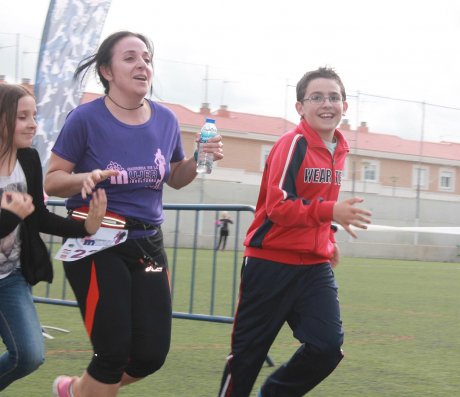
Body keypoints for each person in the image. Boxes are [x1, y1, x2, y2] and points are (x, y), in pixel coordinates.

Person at [43, 31, 223, 397]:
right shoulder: (85, 119)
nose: (142, 64)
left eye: (147, 58)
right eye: (130, 58)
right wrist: (85, 178)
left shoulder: (166, 120)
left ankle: (76, 391)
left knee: (149, 356)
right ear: (107, 70)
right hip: (96, 238)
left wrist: (198, 160)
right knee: (112, 354)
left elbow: (175, 178)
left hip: (147, 242)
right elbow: (52, 180)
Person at [218, 66, 372, 397]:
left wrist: (328, 238)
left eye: (334, 97)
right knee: (247, 358)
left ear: (345, 104)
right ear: (300, 107)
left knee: (327, 348)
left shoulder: (339, 149)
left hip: (314, 266)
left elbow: (317, 201)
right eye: (316, 97)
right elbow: (279, 206)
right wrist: (331, 213)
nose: (326, 103)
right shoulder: (293, 144)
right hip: (269, 264)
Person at [0, 84, 107, 391]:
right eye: (22, 117)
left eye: (34, 115)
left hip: (10, 278)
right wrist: (10, 216)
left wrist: (85, 227)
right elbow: (13, 218)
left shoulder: (29, 160)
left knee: (29, 356)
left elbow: (38, 215)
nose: (33, 123)